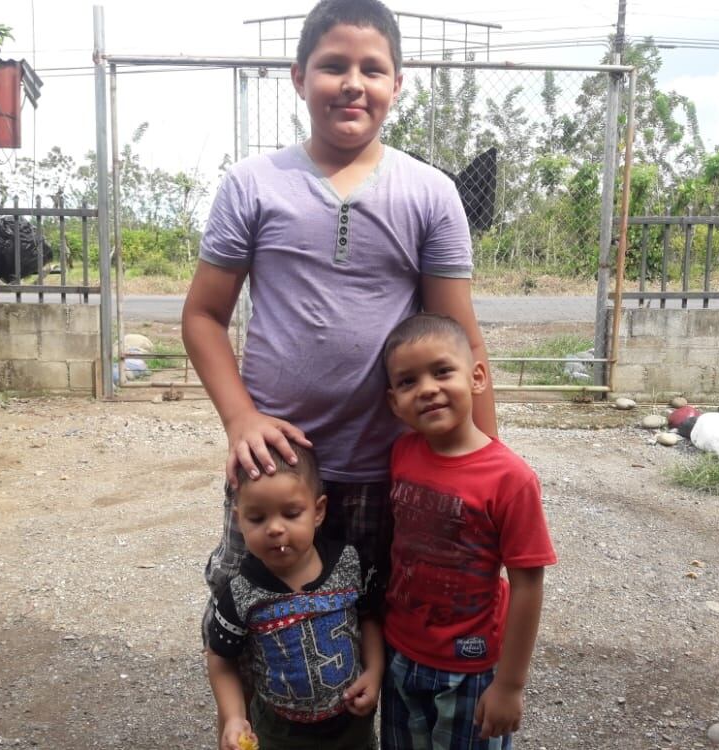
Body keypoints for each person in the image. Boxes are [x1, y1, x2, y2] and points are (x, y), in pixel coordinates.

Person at [183, 0, 495, 637]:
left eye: (372, 69)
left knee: (383, 626)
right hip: (275, 470)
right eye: (333, 66)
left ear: (396, 85)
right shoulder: (252, 184)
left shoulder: (430, 193)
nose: (354, 83)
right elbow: (203, 316)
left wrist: (487, 469)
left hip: (392, 467)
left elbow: (460, 341)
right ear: (299, 77)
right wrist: (241, 419)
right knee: (260, 626)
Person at [379, 313, 557, 750]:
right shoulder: (401, 453)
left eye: (442, 371)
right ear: (394, 403)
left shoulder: (511, 479)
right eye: (408, 381)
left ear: (477, 377)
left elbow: (527, 585)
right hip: (400, 653)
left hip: (471, 668)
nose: (427, 388)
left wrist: (510, 685)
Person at [205, 442, 384, 750]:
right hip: (279, 732)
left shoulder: (349, 564)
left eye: (291, 513)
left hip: (351, 724)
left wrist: (374, 671)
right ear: (239, 519)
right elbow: (220, 657)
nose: (275, 528)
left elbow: (369, 619)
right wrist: (233, 716)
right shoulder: (241, 592)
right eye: (257, 518)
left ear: (318, 511)